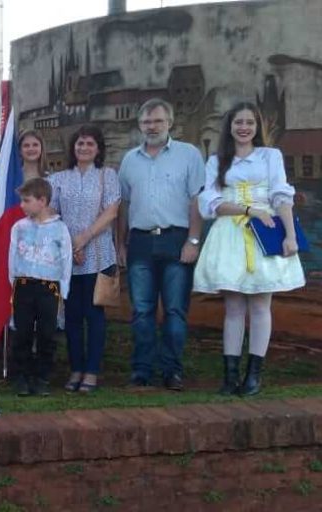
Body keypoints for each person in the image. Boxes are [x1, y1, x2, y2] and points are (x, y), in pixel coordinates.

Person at [194, 102, 306, 396]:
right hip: (231, 233)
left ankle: (253, 374)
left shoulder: (270, 156)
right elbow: (211, 204)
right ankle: (230, 375)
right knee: (233, 307)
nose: (243, 128)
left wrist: (290, 236)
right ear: (229, 126)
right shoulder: (217, 161)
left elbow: (281, 195)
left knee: (260, 305)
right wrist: (248, 209)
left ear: (257, 128)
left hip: (265, 232)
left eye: (249, 123)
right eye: (238, 122)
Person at [117, 98, 206, 391]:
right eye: (146, 122)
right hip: (140, 242)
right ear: (139, 126)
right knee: (141, 311)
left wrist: (193, 240)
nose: (151, 126)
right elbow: (125, 205)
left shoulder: (188, 155)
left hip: (176, 240)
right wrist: (121, 243)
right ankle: (141, 371)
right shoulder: (130, 160)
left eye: (157, 121)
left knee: (175, 310)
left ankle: (172, 371)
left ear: (170, 123)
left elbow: (197, 201)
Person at [47, 125, 120, 393]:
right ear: (73, 148)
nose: (84, 148)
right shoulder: (58, 178)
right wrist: (70, 245)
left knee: (95, 314)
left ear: (98, 148)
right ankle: (76, 368)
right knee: (73, 316)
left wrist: (84, 239)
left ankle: (92, 371)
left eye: (90, 144)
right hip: (68, 256)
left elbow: (111, 212)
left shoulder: (107, 176)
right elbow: (53, 213)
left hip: (98, 255)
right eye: (80, 143)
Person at [8, 178, 72, 397]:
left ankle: (43, 377)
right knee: (22, 333)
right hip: (24, 285)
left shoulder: (60, 228)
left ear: (42, 201)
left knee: (47, 334)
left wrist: (63, 291)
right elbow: (12, 258)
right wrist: (15, 283)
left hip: (49, 288)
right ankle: (23, 377)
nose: (22, 205)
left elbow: (66, 260)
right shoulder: (19, 227)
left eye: (27, 201)